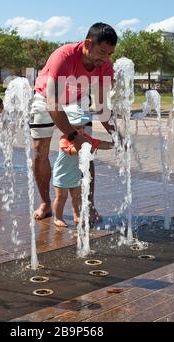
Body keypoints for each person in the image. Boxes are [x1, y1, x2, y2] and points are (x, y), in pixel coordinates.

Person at [29, 22, 118, 222]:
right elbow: (53, 103)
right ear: (88, 43)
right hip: (47, 98)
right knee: (39, 150)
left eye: (110, 54)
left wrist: (116, 134)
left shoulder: (105, 66)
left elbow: (102, 106)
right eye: (102, 52)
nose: (105, 58)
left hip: (77, 98)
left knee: (86, 152)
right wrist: (72, 136)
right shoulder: (65, 56)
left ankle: (88, 206)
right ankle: (45, 203)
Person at [53, 106, 114, 227]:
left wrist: (113, 145)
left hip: (75, 174)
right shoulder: (64, 140)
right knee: (62, 197)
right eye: (77, 128)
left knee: (76, 197)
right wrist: (88, 148)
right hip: (62, 175)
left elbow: (98, 143)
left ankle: (77, 216)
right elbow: (74, 150)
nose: (80, 131)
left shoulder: (85, 137)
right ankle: (57, 217)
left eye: (82, 127)